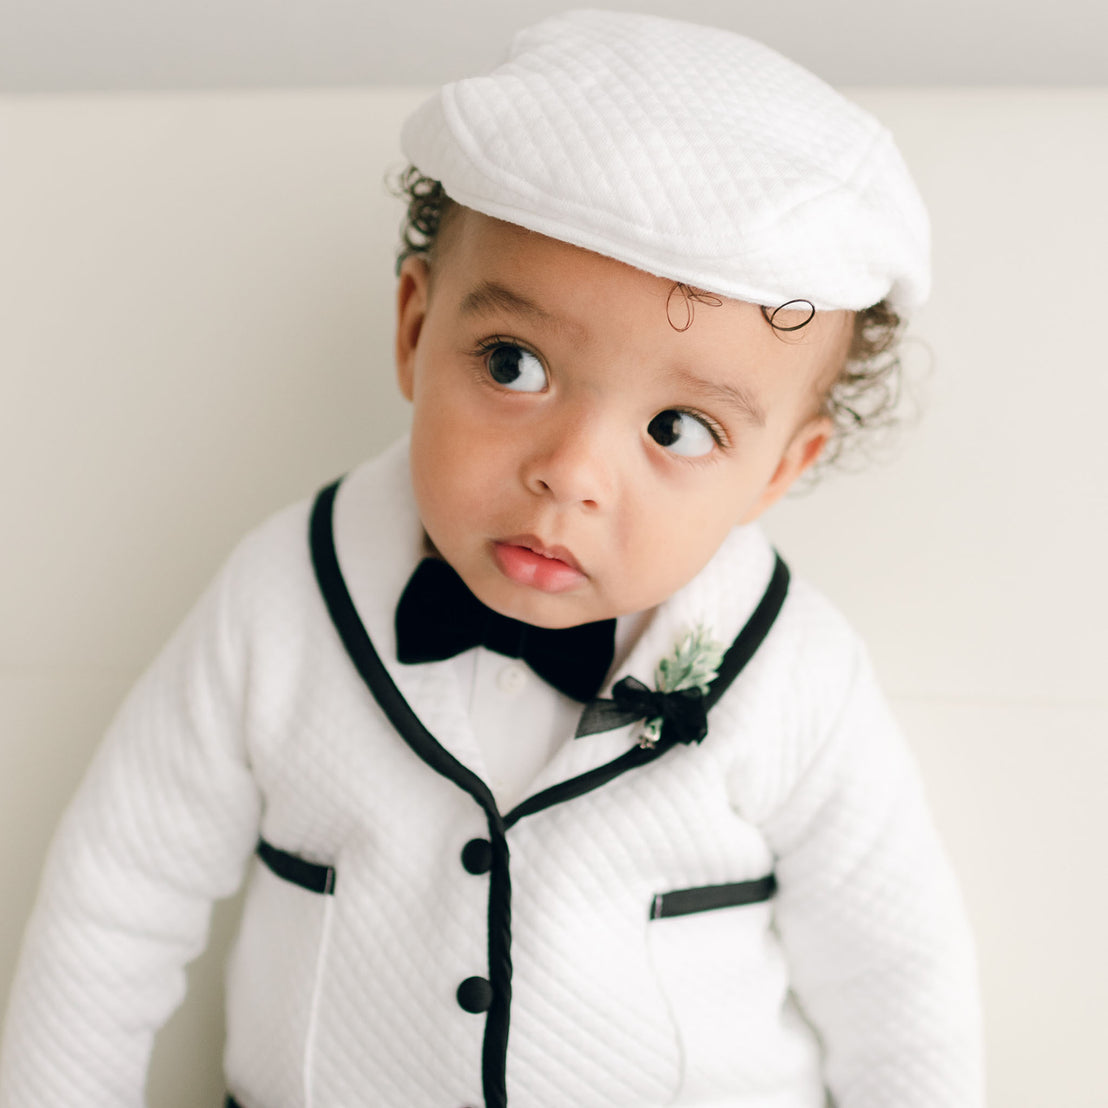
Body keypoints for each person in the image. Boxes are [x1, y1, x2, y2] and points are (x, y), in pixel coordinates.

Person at [0, 11, 983, 1108]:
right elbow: (113, 903)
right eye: (513, 365)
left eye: (677, 430)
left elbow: (900, 981)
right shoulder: (281, 601)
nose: (570, 473)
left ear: (775, 472)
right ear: (416, 328)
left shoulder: (794, 671)